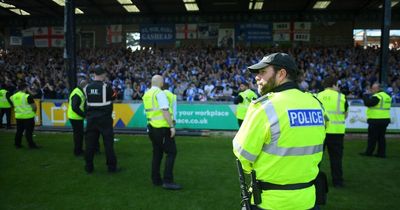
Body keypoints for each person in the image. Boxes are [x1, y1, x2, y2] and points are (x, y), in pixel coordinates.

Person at [233, 53, 326, 210]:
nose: (257, 77)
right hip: (307, 199)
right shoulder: (316, 104)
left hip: (270, 201)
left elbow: (243, 155)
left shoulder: (265, 106)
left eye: (263, 72)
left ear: (281, 74)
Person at [143, 75, 181, 190]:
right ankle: (168, 181)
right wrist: (172, 126)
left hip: (152, 128)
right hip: (162, 128)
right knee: (172, 152)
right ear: (161, 82)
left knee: (157, 153)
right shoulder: (160, 93)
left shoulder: (147, 94)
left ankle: (156, 179)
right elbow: (165, 111)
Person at [83, 67, 118, 173]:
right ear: (103, 75)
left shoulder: (86, 87)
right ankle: (111, 167)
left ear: (94, 74)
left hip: (91, 119)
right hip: (104, 119)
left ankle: (89, 167)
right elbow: (114, 96)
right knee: (108, 144)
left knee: (89, 144)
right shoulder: (106, 87)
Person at [317, 77, 348, 188]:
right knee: (336, 159)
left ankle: (313, 180)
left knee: (316, 159)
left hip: (320, 132)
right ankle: (337, 182)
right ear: (334, 85)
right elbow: (345, 114)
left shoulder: (317, 96)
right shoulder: (341, 97)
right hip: (336, 133)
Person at [360, 82, 392, 158]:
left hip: (376, 120)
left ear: (378, 89)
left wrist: (365, 95)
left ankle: (369, 152)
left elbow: (368, 103)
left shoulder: (378, 96)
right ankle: (381, 153)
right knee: (381, 137)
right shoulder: (387, 96)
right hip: (385, 119)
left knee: (372, 138)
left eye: (373, 88)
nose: (372, 90)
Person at [10, 82, 39, 149]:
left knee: (19, 131)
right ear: (25, 88)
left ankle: (17, 144)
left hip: (18, 116)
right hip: (28, 117)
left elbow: (12, 102)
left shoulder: (13, 96)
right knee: (29, 132)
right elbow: (34, 107)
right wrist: (33, 113)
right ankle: (31, 145)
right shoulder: (27, 96)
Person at [67, 79, 87, 156]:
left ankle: (78, 150)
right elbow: (74, 107)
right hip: (75, 117)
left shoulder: (78, 91)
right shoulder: (77, 93)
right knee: (78, 135)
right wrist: (84, 115)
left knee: (79, 134)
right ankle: (78, 151)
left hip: (76, 117)